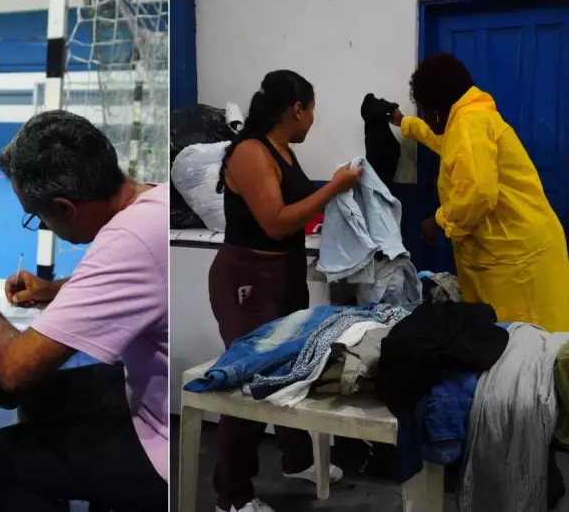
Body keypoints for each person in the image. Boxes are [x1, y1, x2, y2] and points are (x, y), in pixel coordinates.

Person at [0, 110, 168, 512]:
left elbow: (15, 369)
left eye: (38, 216)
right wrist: (55, 290)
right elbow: (139, 282)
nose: (41, 224)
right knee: (44, 397)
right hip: (152, 390)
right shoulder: (153, 200)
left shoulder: (128, 240)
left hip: (160, 441)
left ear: (65, 207)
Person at [210, 70, 362, 512]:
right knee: (251, 378)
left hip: (284, 275)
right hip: (249, 280)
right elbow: (276, 222)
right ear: (297, 109)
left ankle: (296, 460)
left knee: (293, 366)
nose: (313, 119)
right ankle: (231, 496)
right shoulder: (251, 152)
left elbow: (293, 209)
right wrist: (333, 188)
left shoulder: (283, 151)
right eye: (312, 110)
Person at [391, 53, 569, 331]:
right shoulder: (469, 119)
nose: (426, 117)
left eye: (424, 110)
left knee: (527, 343)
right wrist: (404, 122)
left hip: (518, 263)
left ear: (437, 109)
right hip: (515, 252)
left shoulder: (469, 125)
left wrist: (436, 221)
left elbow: (477, 194)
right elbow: (441, 141)